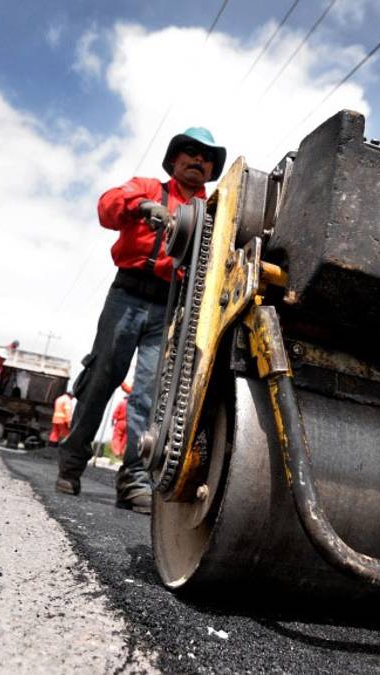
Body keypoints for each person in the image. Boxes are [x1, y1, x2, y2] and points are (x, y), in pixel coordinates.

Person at [56, 127, 227, 513]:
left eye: (207, 157)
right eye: (191, 152)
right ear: (174, 160)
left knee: (148, 395)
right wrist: (139, 207)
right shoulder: (147, 188)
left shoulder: (214, 210)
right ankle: (70, 465)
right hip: (127, 295)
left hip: (170, 306)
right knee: (101, 379)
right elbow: (106, 208)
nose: (199, 160)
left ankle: (133, 482)